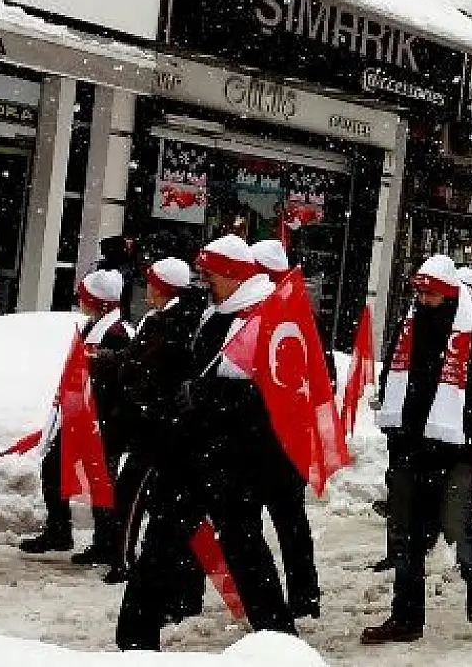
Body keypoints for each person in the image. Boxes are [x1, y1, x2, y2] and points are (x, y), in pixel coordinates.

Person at [117, 236, 294, 649]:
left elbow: (270, 394)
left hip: (232, 463)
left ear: (232, 275)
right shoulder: (216, 310)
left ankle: (281, 641)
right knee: (163, 547)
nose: (203, 281)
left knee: (246, 556)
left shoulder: (261, 317)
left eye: (210, 274)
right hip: (193, 456)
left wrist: (205, 395)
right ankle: (135, 641)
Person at [363, 255, 472, 644]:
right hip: (410, 446)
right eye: (420, 292)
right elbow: (390, 376)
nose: (423, 299)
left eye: (430, 293)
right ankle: (406, 618)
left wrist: (469, 422)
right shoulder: (409, 326)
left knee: (454, 523)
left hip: (457, 449)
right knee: (407, 533)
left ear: (448, 294)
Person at [18, 269, 132, 563]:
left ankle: (106, 542)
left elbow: (119, 378)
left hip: (103, 419)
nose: (80, 303)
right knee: (53, 469)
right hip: (78, 414)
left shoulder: (118, 334)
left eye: (84, 298)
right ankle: (59, 530)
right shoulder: (89, 328)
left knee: (100, 482)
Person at [107, 257, 202, 588]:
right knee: (144, 494)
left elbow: (159, 367)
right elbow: (136, 360)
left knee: (135, 491)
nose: (146, 290)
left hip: (163, 425)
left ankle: (130, 562)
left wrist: (143, 387)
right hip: (150, 420)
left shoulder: (180, 323)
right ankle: (133, 559)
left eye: (151, 284)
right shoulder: (156, 319)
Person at [248, 237, 321, 620]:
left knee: (283, 519)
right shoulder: (285, 311)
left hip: (283, 436)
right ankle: (300, 591)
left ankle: (297, 593)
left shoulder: (285, 314)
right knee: (287, 520)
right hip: (277, 436)